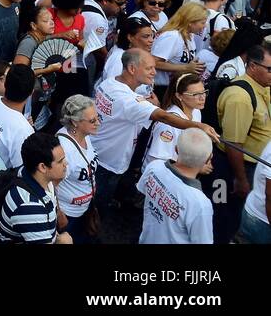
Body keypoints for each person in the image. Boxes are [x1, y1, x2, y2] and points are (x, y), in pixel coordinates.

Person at [93, 49, 216, 220]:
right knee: (95, 211)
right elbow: (163, 116)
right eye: (149, 68)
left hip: (99, 152)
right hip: (109, 164)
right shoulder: (129, 100)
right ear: (132, 68)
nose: (155, 72)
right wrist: (198, 127)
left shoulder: (109, 84)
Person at [212, 43, 271, 243]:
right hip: (232, 168)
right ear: (253, 66)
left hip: (251, 167)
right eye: (269, 69)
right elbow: (233, 143)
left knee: (234, 213)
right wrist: (241, 179)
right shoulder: (240, 97)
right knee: (223, 212)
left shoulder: (263, 87)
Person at [137, 128, 214, 244]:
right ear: (208, 159)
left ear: (176, 149)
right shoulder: (201, 204)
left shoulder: (155, 167)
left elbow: (142, 189)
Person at [0, 132, 73, 244]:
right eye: (60, 161)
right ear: (42, 167)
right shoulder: (29, 207)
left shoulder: (29, 173)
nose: (66, 163)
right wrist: (64, 242)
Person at [54, 94, 100, 243]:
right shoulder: (65, 150)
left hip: (84, 209)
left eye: (97, 118)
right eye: (92, 120)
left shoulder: (85, 134)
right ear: (75, 122)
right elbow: (50, 185)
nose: (98, 123)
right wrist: (59, 213)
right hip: (68, 215)